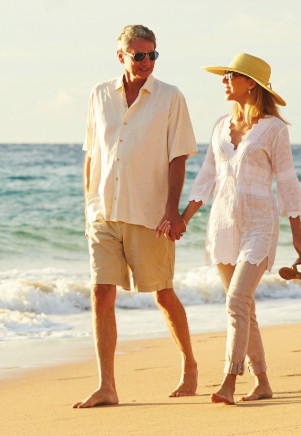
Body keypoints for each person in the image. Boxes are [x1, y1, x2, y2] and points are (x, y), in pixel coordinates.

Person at [161, 53, 301, 405]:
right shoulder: (219, 126)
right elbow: (208, 176)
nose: (224, 80)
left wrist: (298, 238)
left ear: (251, 84)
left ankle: (229, 379)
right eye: (225, 75)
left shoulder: (274, 129)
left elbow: (288, 182)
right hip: (224, 225)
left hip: (260, 224)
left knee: (235, 301)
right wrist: (184, 217)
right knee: (244, 306)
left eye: (231, 75)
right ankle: (262, 382)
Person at [73, 24, 198, 409]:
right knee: (100, 293)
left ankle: (190, 365)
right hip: (103, 212)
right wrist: (88, 205)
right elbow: (91, 153)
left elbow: (179, 156)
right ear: (121, 56)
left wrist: (171, 210)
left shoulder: (170, 97)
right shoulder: (98, 95)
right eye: (139, 55)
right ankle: (107, 386)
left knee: (162, 293)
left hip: (149, 214)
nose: (146, 62)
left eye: (152, 55)